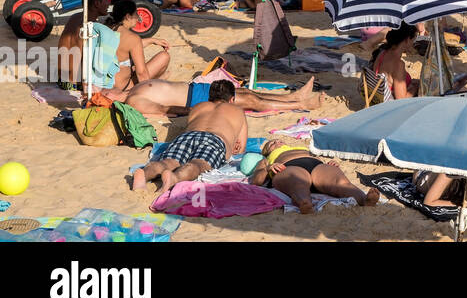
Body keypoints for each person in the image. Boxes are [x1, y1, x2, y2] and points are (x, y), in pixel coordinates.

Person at [131, 80, 245, 191]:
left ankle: (144, 174)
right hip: (214, 139)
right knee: (198, 164)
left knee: (169, 162)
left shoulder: (198, 107)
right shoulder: (238, 110)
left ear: (209, 97)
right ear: (232, 99)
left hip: (188, 135)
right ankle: (175, 178)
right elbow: (240, 149)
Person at [249, 138, 379, 212]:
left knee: (340, 183)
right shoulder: (266, 159)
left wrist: (328, 163)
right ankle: (304, 203)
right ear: (267, 152)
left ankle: (365, 200)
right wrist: (268, 168)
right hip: (288, 166)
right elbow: (256, 181)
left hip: (316, 165)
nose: (277, 142)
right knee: (298, 184)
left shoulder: (300, 148)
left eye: (279, 140)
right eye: (272, 143)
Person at [110, 76, 322, 118]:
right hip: (196, 100)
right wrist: (197, 111)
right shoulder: (132, 101)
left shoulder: (131, 88)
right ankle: (300, 103)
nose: (101, 91)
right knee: (251, 102)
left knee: (247, 93)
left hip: (197, 88)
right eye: (101, 94)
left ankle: (293, 96)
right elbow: (164, 110)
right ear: (108, 100)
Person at [372, 23, 420, 99]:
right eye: (413, 39)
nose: (413, 44)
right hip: (390, 105)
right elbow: (401, 100)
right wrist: (415, 87)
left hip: (377, 95)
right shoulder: (398, 65)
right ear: (407, 40)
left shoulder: (382, 52)